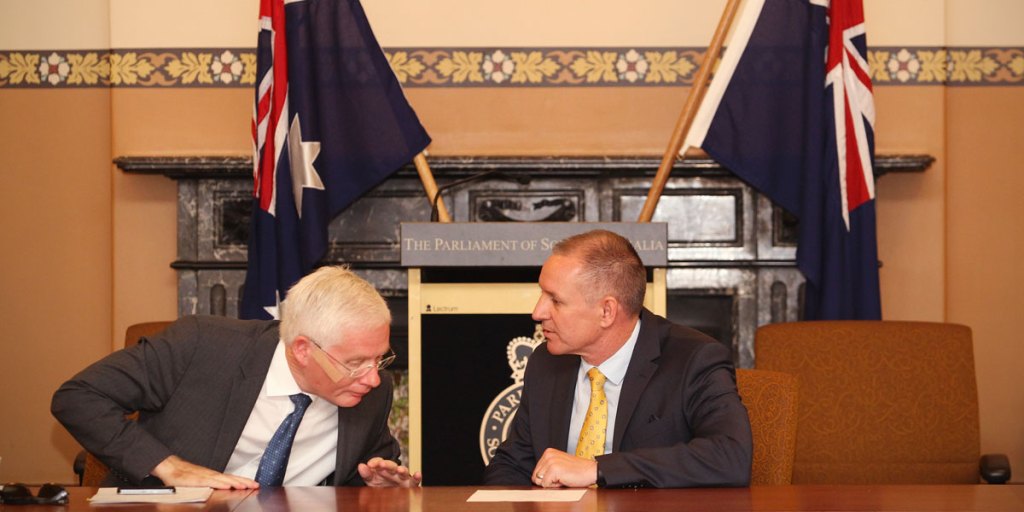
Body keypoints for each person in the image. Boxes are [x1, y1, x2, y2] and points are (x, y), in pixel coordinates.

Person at [52, 266, 420, 489]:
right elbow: (78, 397)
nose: (372, 377)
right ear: (303, 349)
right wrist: (168, 466)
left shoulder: (372, 391)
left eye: (380, 358)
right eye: (356, 362)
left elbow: (359, 474)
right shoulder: (202, 346)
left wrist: (376, 486)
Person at [483, 229, 752, 488]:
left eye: (555, 300)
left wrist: (598, 470)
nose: (538, 312)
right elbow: (512, 465)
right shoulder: (546, 362)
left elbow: (730, 457)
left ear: (606, 312)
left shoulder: (693, 359)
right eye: (542, 294)